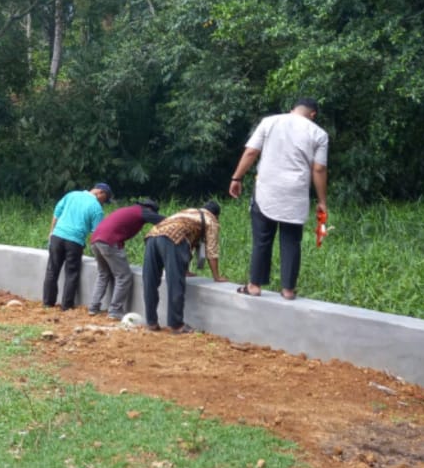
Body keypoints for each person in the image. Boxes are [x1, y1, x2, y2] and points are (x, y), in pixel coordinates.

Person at [229, 96, 328, 300]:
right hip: (296, 193)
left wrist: (236, 178)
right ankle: (288, 290)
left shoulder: (270, 122)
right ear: (313, 114)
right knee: (291, 241)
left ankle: (254, 285)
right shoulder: (319, 134)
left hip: (267, 191)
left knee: (262, 239)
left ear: (293, 109)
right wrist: (322, 201)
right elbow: (319, 169)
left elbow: (251, 152)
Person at [141, 200, 225, 333]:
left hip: (152, 236)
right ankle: (176, 325)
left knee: (150, 280)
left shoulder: (188, 212)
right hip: (172, 238)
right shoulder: (211, 220)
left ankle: (151, 322)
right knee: (175, 282)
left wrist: (185, 269)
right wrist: (216, 276)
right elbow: (211, 250)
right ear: (216, 215)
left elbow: (188, 242)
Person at [88, 196, 164, 319]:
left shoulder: (130, 210)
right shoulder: (143, 211)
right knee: (124, 276)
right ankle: (115, 310)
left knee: (103, 274)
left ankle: (93, 307)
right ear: (150, 209)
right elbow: (165, 221)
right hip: (110, 241)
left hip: (96, 241)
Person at [43, 182, 112, 310]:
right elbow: (97, 233)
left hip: (57, 236)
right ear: (100, 192)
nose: (103, 203)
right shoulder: (96, 208)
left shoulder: (72, 195)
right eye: (105, 199)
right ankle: (67, 306)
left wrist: (52, 232)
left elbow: (57, 212)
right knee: (71, 273)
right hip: (74, 242)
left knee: (52, 270)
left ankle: (47, 303)